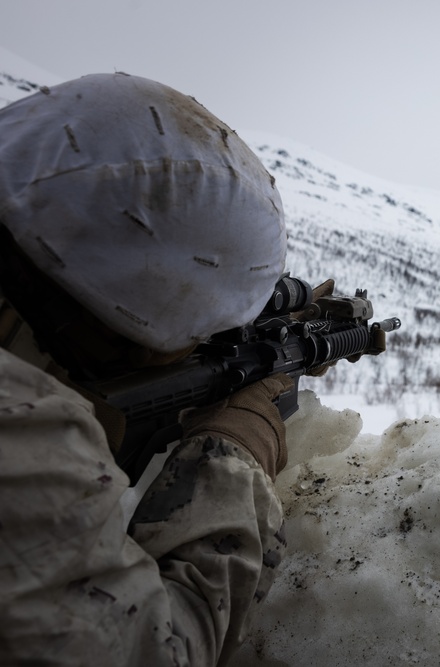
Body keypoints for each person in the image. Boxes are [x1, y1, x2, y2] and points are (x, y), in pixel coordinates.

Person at [0, 73, 291, 665]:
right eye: (195, 338)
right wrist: (230, 459)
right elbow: (163, 651)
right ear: (123, 322)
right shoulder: (23, 431)